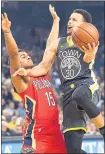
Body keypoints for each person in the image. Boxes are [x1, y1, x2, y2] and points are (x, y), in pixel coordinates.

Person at [15, 8, 105, 153]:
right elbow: (43, 67)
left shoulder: (89, 39)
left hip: (87, 86)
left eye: (74, 20)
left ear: (84, 26)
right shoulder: (59, 43)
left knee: (79, 94)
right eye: (70, 19)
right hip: (68, 96)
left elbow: (88, 60)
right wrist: (27, 71)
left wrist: (89, 55)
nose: (70, 21)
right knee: (72, 150)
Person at [2, 5, 67, 154]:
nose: (28, 55)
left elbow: (51, 47)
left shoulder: (41, 72)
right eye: (23, 56)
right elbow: (13, 55)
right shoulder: (20, 79)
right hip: (36, 136)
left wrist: (56, 21)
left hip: (56, 133)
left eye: (27, 54)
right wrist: (7, 32)